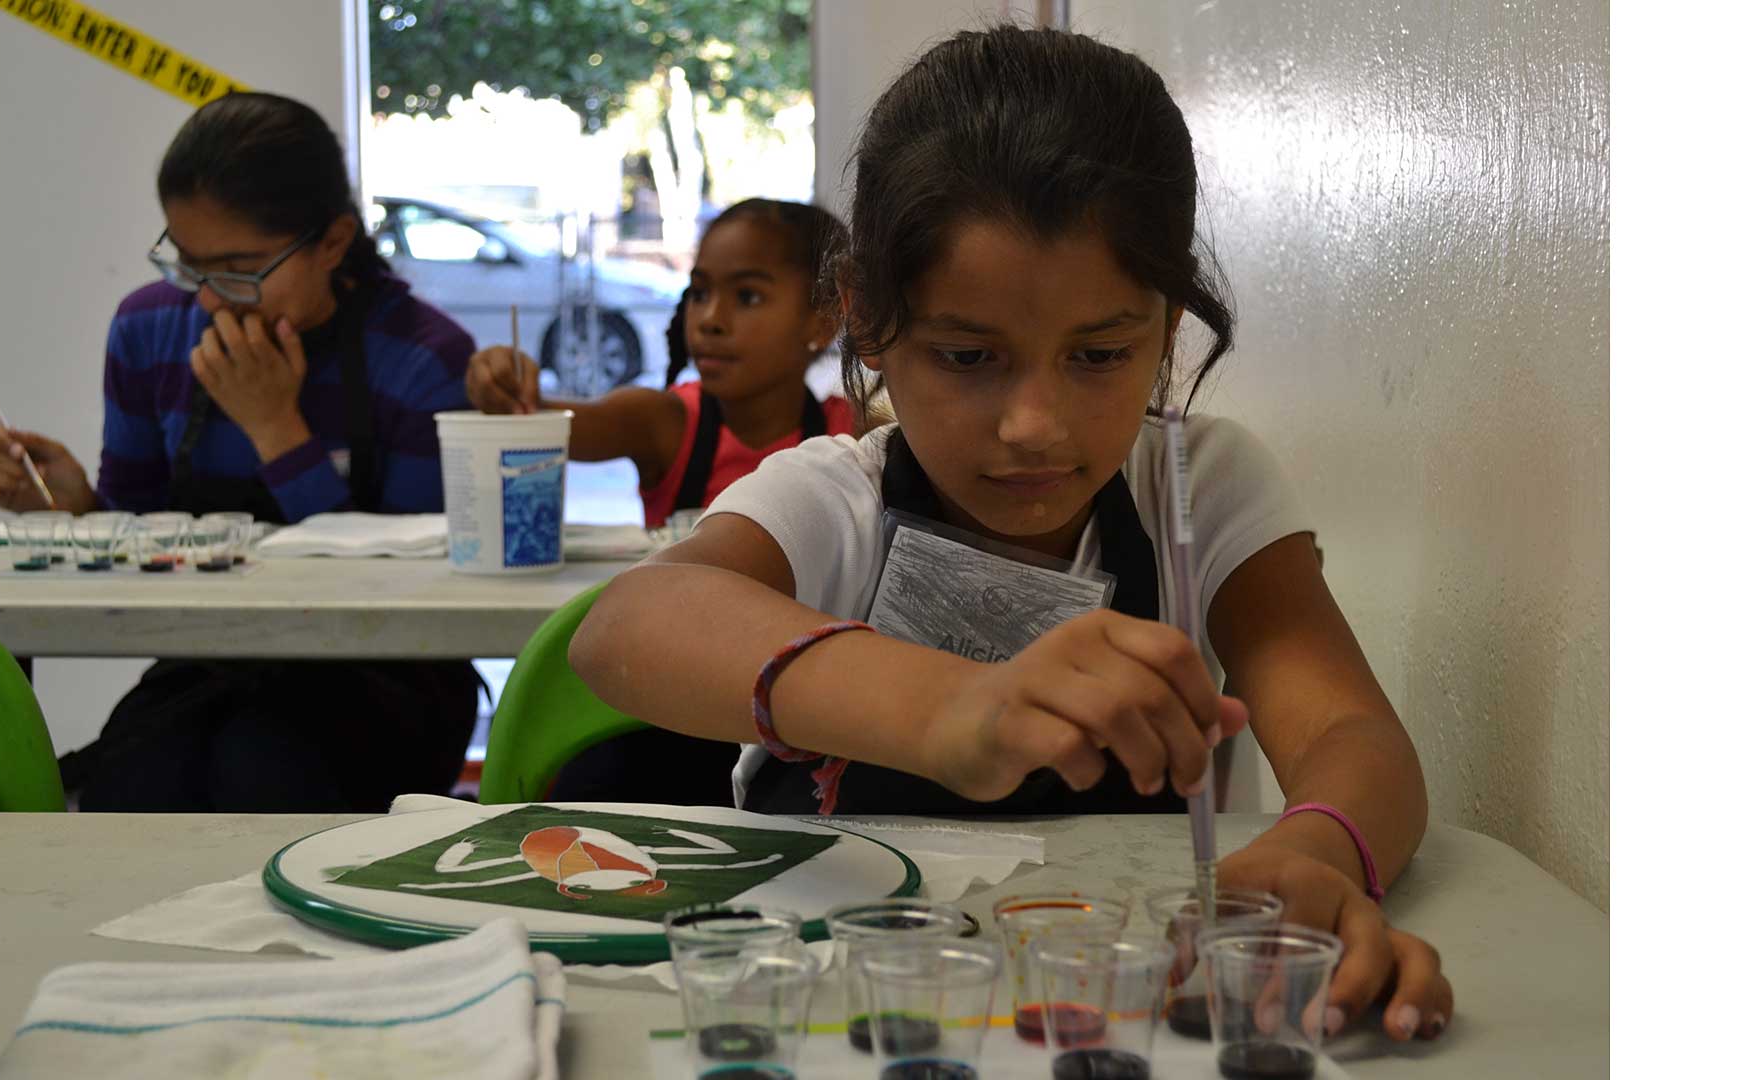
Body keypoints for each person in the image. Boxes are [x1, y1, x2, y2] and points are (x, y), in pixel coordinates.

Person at [570, 26, 1454, 1042]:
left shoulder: (1197, 490)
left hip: (1122, 1013)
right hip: (842, 1009)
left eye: (1100, 353)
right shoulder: (834, 499)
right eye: (966, 354)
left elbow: (1355, 738)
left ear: (1167, 327)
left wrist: (1315, 854)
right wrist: (954, 708)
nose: (1034, 424)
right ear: (865, 320)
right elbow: (627, 627)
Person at [0, 91, 480, 813]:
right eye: (190, 267)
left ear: (334, 242)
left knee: (265, 777)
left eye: (240, 268)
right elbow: (148, 530)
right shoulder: (150, 329)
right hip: (210, 661)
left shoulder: (420, 358)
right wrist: (76, 511)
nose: (214, 301)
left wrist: (277, 432)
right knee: (132, 797)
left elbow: (422, 595)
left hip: (387, 679)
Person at [465, 198, 856, 806]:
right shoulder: (667, 422)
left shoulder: (850, 436)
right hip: (668, 710)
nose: (712, 319)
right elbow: (548, 420)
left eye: (747, 296)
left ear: (823, 319)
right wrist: (508, 390)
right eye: (700, 293)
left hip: (789, 717)